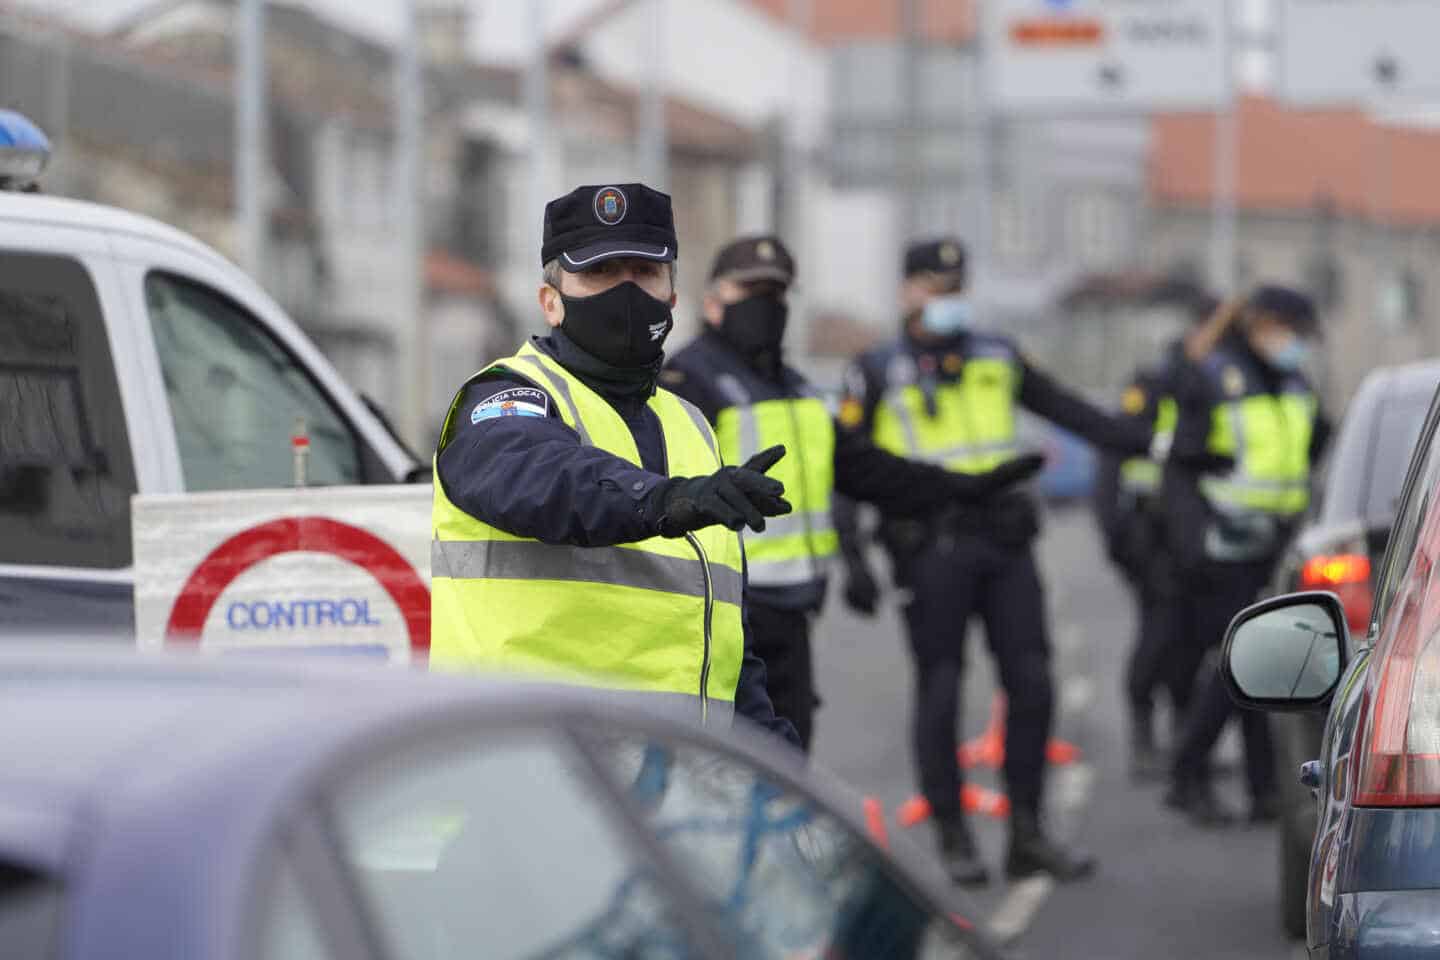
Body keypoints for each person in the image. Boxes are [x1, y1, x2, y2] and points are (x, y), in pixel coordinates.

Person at [429, 182, 797, 744]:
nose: (626, 293)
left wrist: (777, 775)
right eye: (600, 274)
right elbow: (537, 479)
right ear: (551, 300)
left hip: (674, 787)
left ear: (673, 296)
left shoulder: (692, 426)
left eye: (645, 274)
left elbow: (723, 643)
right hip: (524, 776)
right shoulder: (505, 397)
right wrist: (665, 501)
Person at [836, 237, 1153, 885]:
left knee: (1033, 683)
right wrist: (852, 554)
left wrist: (1153, 442)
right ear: (907, 291)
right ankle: (954, 836)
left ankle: (1028, 833)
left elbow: (1068, 409)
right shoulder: (875, 368)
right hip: (930, 545)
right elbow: (846, 466)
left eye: (957, 287)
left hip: (1004, 542)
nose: (949, 299)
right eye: (935, 286)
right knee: (942, 688)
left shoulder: (997, 356)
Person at [662, 235, 1045, 751]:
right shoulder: (686, 382)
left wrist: (968, 487)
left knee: (789, 767)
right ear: (711, 301)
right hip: (723, 614)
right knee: (731, 772)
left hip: (793, 612)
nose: (764, 305)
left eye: (776, 294)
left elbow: (869, 472)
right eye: (749, 290)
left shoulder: (794, 388)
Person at [1161, 286, 1331, 826]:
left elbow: (1314, 443)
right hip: (1225, 545)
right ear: (1263, 326)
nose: (1298, 345)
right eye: (1292, 333)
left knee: (1267, 667)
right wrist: (1193, 542)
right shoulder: (1217, 376)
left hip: (1277, 542)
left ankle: (1262, 789)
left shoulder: (1293, 382)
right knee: (1240, 665)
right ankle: (1187, 775)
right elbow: (1182, 463)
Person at [1092, 292, 1218, 780]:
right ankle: (1144, 737)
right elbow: (1113, 459)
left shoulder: (1208, 387)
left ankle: (1183, 738)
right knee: (1159, 635)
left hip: (1193, 535)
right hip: (1149, 537)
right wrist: (1117, 534)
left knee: (1189, 640)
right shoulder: (1151, 387)